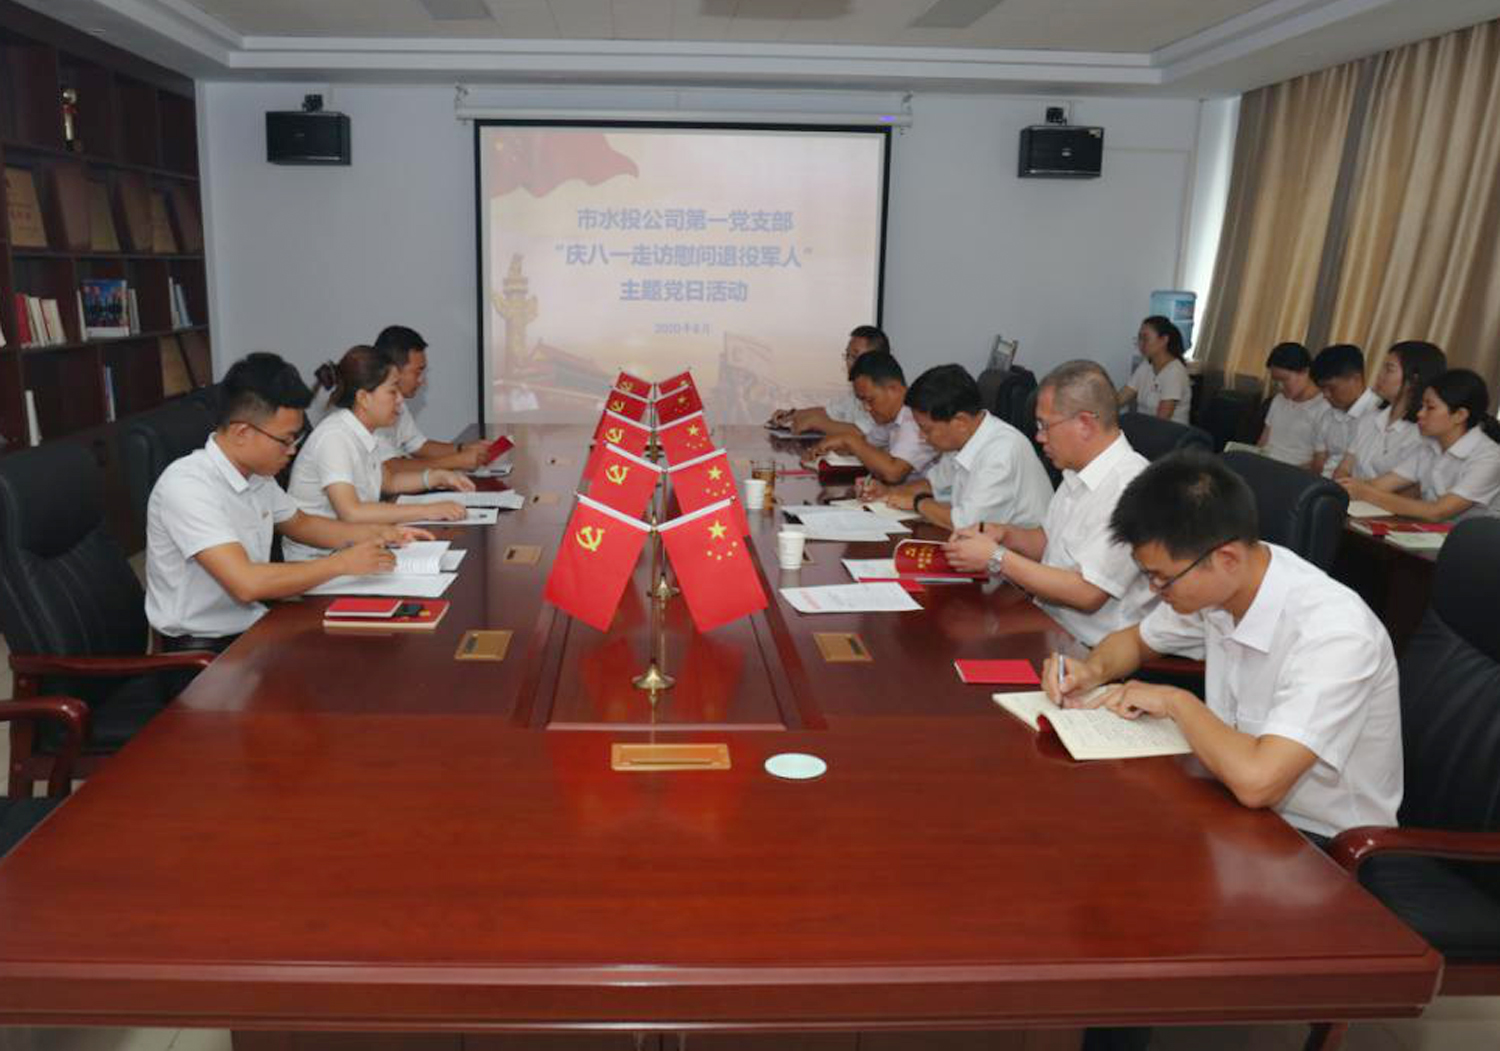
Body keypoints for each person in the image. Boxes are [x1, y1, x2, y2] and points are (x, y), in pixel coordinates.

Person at [1045, 451, 1402, 844]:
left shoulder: (1334, 633)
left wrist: (1176, 703)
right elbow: (1133, 641)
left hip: (1318, 843)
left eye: (1162, 579)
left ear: (1226, 557)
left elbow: (1258, 782)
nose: (1154, 591)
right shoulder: (1220, 586)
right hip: (1225, 799)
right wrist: (1092, 671)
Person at [145, 353, 430, 653]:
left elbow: (303, 524)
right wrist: (342, 563)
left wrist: (382, 533)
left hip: (254, 628)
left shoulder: (256, 476)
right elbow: (247, 583)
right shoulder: (188, 485)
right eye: (285, 440)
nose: (292, 450)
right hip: (203, 654)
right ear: (242, 433)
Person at [944, 361, 1153, 645]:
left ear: (1085, 424)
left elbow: (1087, 593)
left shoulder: (1129, 487)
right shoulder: (1077, 469)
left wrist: (996, 557)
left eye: (1045, 425)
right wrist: (1004, 534)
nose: (1039, 437)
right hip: (1048, 623)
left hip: (1090, 648)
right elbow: (1049, 542)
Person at [284, 345, 473, 561]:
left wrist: (435, 477)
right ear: (364, 398)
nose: (400, 400)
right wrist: (428, 510)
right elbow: (352, 512)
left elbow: (389, 481)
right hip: (319, 559)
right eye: (393, 391)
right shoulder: (334, 437)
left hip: (351, 547)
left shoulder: (364, 432)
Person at [859, 364, 1051, 532]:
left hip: (1012, 557)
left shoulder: (1002, 451)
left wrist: (918, 503)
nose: (922, 437)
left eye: (927, 429)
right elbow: (933, 484)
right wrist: (888, 493)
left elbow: (968, 524)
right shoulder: (963, 440)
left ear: (960, 422)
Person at [1338, 368, 1500, 522]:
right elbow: (1381, 485)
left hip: (1468, 539)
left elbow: (1437, 512)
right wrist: (1350, 488)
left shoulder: (1490, 457)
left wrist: (1366, 493)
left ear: (1460, 415)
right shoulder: (1429, 445)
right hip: (1426, 533)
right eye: (1422, 406)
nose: (1420, 414)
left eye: (1430, 408)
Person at [371, 325, 493, 473]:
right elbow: (389, 468)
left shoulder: (397, 401)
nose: (421, 381)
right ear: (394, 370)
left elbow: (416, 444)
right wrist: (455, 461)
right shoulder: (373, 407)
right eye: (418, 372)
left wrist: (463, 449)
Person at [803, 351, 936, 485]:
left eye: (870, 400)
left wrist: (848, 440)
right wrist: (833, 447)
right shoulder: (890, 417)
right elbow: (867, 443)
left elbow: (893, 473)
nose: (866, 408)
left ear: (893, 389)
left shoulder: (916, 418)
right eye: (862, 401)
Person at [1333, 341, 1446, 480]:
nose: (1379, 375)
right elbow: (1344, 468)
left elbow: (1401, 488)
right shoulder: (1369, 418)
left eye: (1389, 370)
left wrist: (1355, 489)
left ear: (1414, 379)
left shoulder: (1421, 434)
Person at [770, 325, 890, 437]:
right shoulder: (854, 395)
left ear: (878, 360)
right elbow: (828, 412)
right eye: (847, 355)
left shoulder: (885, 396)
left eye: (854, 356)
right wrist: (792, 415)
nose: (848, 362)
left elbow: (860, 432)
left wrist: (817, 423)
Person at [1309, 344, 1381, 477]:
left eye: (1331, 388)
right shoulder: (1328, 415)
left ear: (1355, 379)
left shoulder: (1378, 413)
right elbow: (1319, 462)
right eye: (1322, 389)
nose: (1325, 395)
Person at [1257, 342, 1328, 468]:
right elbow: (1263, 442)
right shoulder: (1279, 400)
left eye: (1284, 380)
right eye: (1276, 381)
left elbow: (1320, 462)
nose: (1279, 386)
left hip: (1294, 472)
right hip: (1265, 466)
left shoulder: (1324, 408)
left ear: (1305, 371)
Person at [1117, 316, 1191, 424]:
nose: (1141, 344)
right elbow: (1122, 397)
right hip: (1146, 427)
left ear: (1163, 340)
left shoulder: (1175, 372)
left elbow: (1161, 421)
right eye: (1139, 338)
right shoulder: (1146, 365)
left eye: (1145, 339)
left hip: (1167, 432)